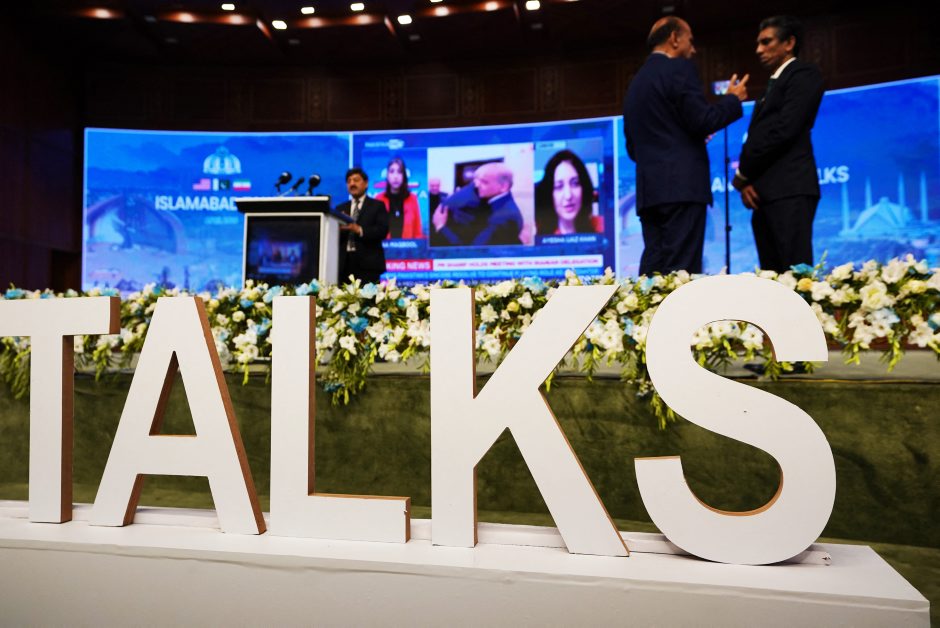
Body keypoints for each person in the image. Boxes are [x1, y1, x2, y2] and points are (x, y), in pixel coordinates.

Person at [623, 16, 748, 275]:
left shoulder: (635, 83)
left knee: (654, 273)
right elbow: (703, 120)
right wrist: (732, 100)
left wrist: (684, 139)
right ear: (674, 38)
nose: (694, 49)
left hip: (650, 193)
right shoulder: (679, 68)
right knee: (681, 273)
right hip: (682, 189)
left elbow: (634, 147)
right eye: (690, 40)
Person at [733, 15, 824, 273]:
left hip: (790, 190)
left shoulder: (803, 74)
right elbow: (759, 136)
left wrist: (743, 174)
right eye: (758, 43)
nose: (758, 50)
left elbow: (784, 130)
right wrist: (748, 182)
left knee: (796, 276)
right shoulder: (771, 85)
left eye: (766, 42)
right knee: (771, 279)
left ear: (789, 43)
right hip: (763, 195)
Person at [431, 162, 523, 246]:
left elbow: (471, 252)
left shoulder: (502, 219)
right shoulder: (494, 197)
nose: (477, 185)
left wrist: (440, 226)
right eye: (476, 180)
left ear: (503, 187)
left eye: (484, 182)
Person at [336, 167, 388, 284]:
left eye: (356, 180)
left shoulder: (377, 206)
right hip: (344, 265)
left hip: (368, 265)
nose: (352, 184)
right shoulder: (340, 209)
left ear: (366, 183)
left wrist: (359, 229)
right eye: (349, 181)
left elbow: (382, 230)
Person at [535, 149, 597, 235]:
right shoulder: (540, 235)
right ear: (549, 194)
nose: (568, 196)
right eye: (558, 186)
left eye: (575, 184)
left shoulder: (600, 226)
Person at [375, 157, 422, 239]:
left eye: (399, 172)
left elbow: (417, 232)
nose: (395, 176)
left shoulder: (413, 199)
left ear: (404, 176)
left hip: (408, 246)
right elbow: (374, 230)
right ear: (387, 176)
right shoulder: (379, 199)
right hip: (384, 246)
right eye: (392, 172)